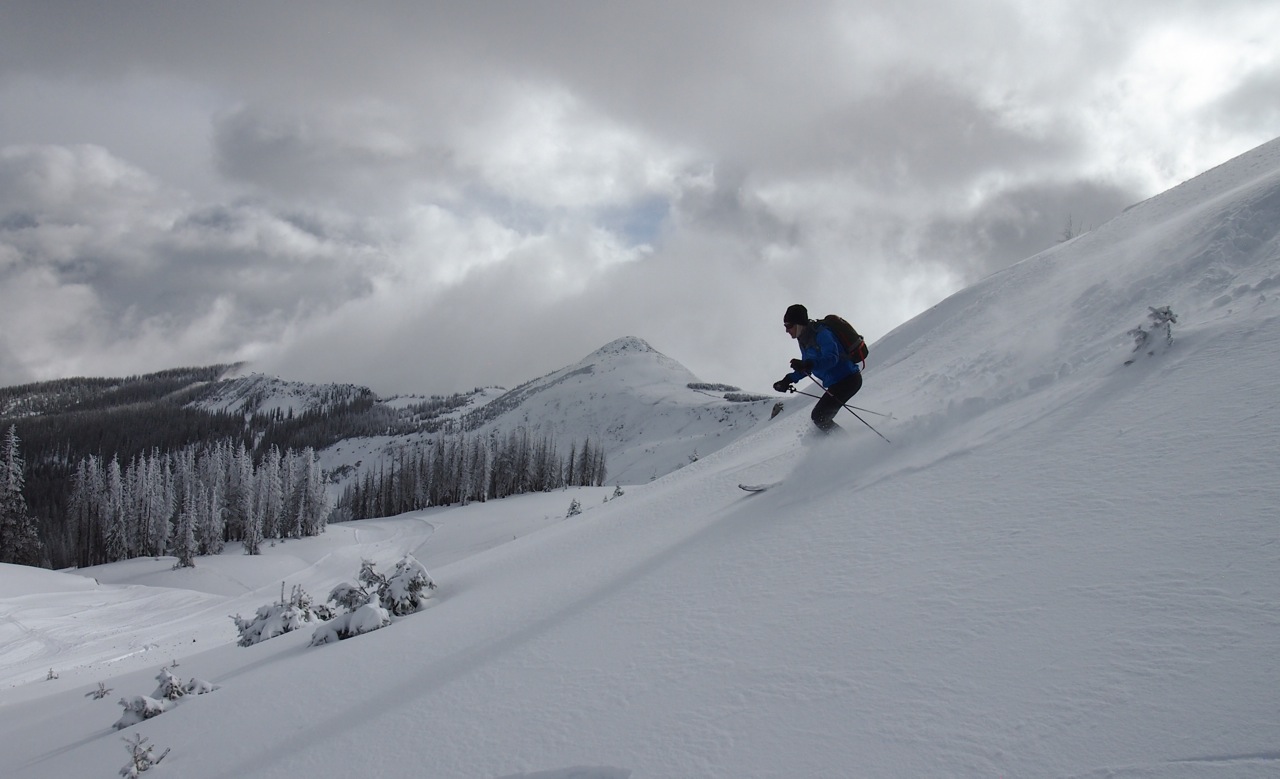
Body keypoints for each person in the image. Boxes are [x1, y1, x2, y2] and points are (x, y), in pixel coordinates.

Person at [773, 304, 862, 433]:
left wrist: (808, 364)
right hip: (837, 383)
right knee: (820, 417)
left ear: (799, 323)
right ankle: (843, 445)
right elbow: (807, 366)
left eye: (789, 325)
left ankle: (848, 446)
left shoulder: (822, 333)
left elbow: (832, 358)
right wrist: (788, 380)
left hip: (849, 380)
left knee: (819, 416)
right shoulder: (804, 339)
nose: (787, 330)